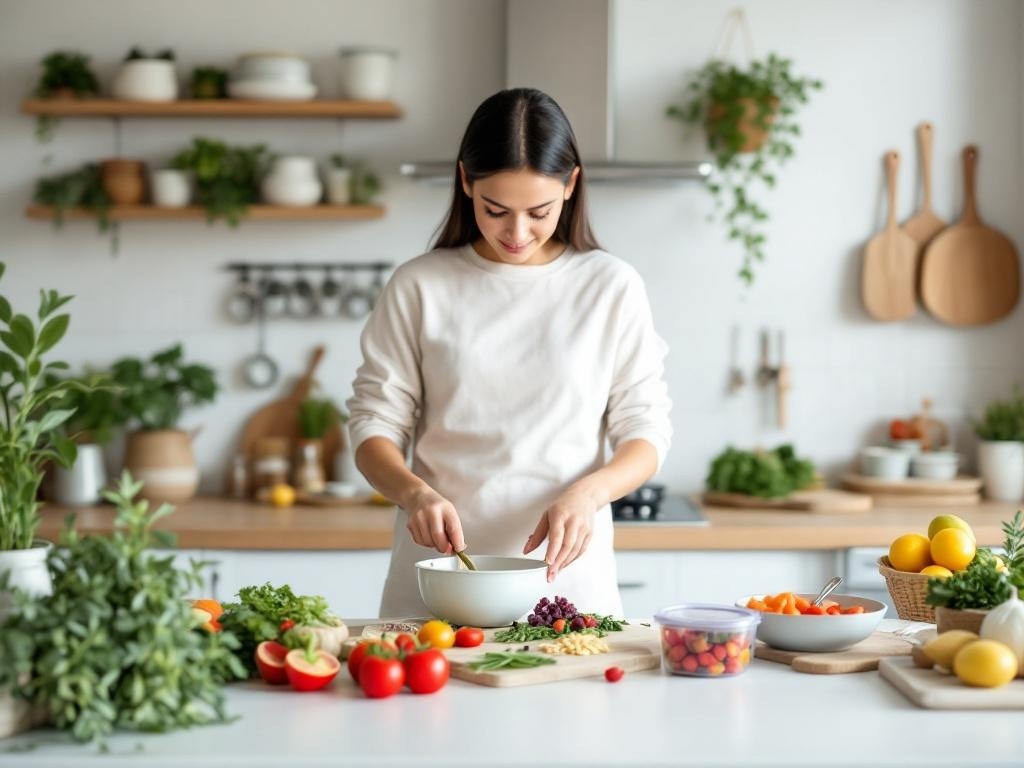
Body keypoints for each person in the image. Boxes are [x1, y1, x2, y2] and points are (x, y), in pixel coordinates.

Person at [346, 87, 672, 619]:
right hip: (438, 582)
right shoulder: (420, 286)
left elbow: (646, 432)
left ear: (571, 185)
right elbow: (373, 428)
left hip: (566, 585)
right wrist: (413, 494)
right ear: (465, 182)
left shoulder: (611, 286)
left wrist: (588, 494)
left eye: (537, 212)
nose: (516, 233)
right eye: (495, 210)